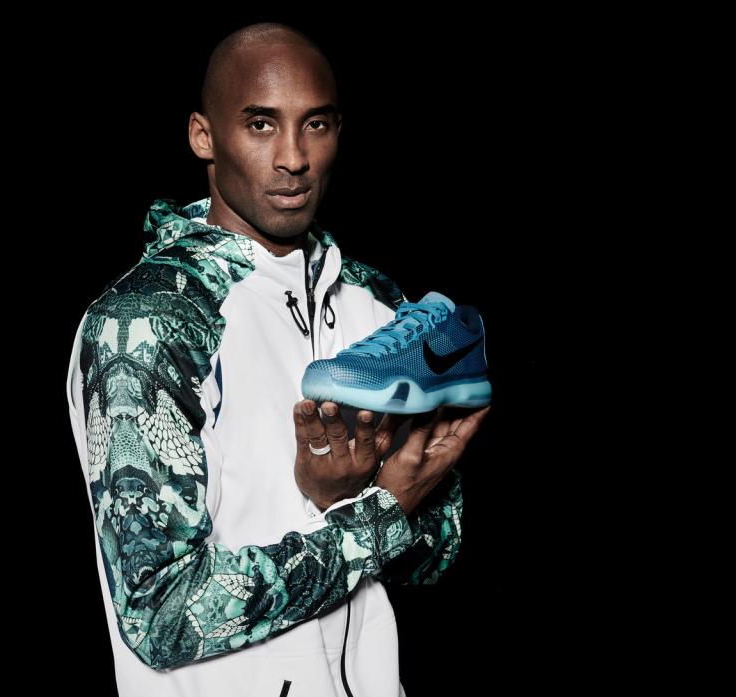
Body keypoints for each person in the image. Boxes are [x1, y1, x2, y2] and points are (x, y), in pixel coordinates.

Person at [63, 21, 490, 697]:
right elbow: (159, 614)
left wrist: (362, 496)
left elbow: (436, 558)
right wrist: (374, 515)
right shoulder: (148, 323)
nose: (293, 157)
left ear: (338, 131)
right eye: (260, 124)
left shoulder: (379, 304)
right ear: (203, 136)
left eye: (315, 124)